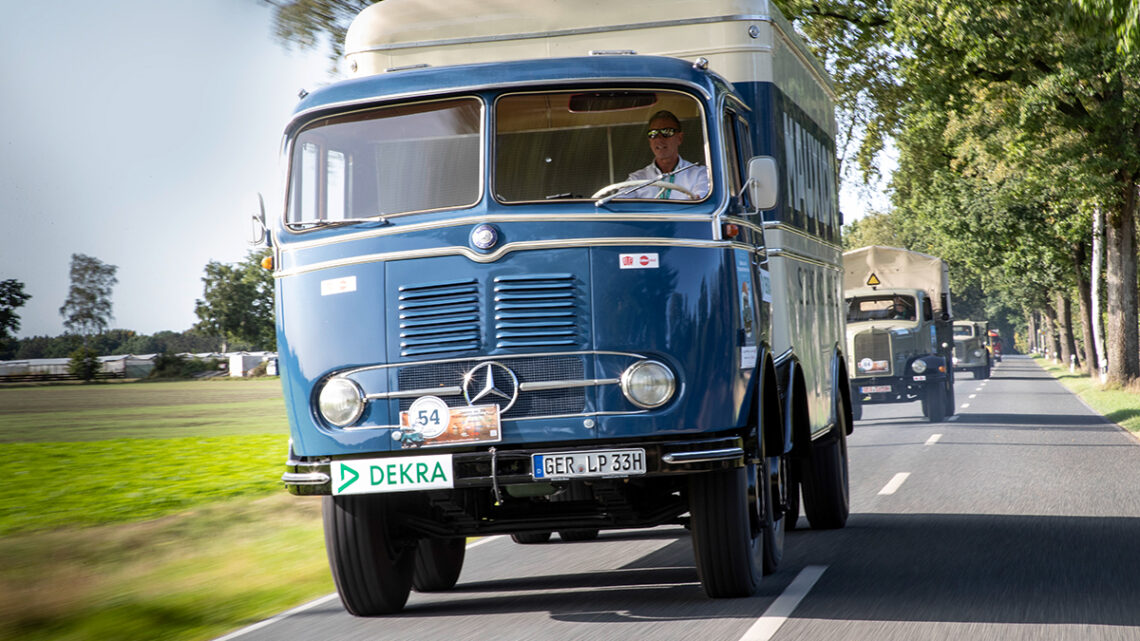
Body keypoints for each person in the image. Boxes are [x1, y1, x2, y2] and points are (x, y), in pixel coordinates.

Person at [624, 110, 710, 200]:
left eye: (667, 132)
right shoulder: (636, 179)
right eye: (653, 134)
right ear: (650, 140)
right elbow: (619, 206)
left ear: (679, 138)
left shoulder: (699, 174)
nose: (659, 139)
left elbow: (699, 202)